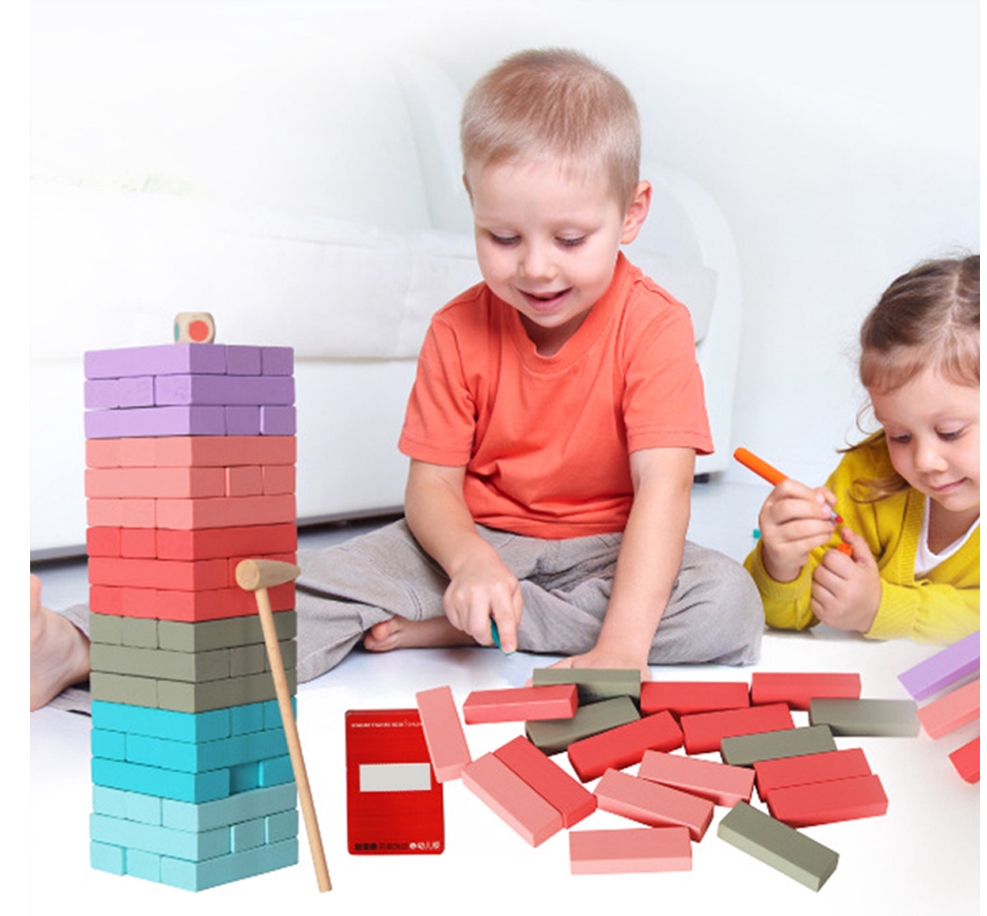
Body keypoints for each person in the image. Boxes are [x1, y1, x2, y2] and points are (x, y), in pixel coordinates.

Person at [31, 49, 762, 710]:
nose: (535, 267)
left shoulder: (655, 325)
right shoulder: (457, 328)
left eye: (570, 240)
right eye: (502, 237)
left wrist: (622, 653)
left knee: (728, 602)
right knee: (315, 583)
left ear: (631, 213)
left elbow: (663, 492)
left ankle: (460, 624)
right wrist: (470, 561)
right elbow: (432, 488)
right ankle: (80, 645)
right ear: (473, 202)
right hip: (472, 539)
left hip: (611, 547)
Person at [743, 254, 979, 645]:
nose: (924, 461)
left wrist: (881, 608)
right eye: (899, 435)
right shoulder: (869, 476)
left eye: (950, 432)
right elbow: (785, 618)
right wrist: (781, 564)